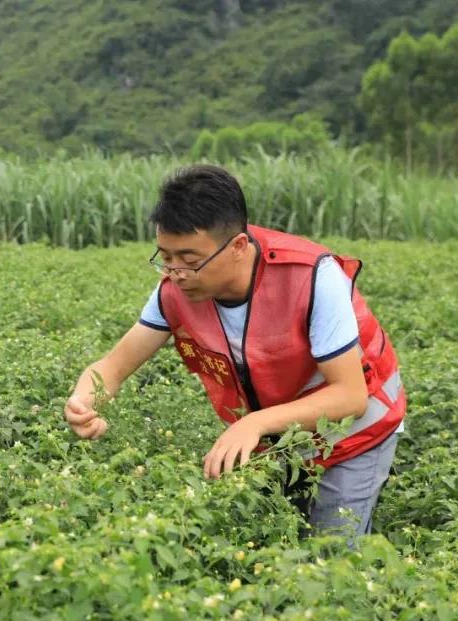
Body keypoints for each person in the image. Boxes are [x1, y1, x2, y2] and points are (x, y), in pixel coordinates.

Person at [63, 165, 405, 537]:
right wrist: (85, 400)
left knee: (331, 554)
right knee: (269, 543)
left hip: (355, 432)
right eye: (166, 257)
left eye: (191, 261)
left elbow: (350, 396)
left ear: (238, 246)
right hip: (281, 439)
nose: (176, 273)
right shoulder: (176, 290)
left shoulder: (311, 276)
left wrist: (254, 423)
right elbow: (111, 368)